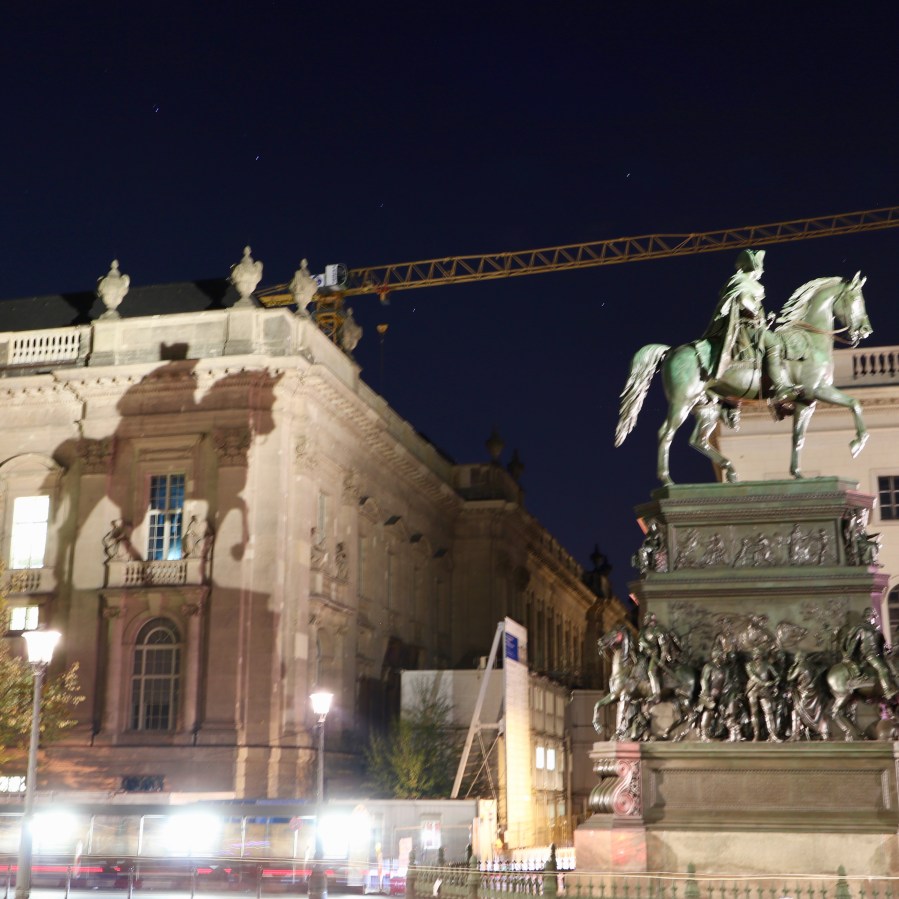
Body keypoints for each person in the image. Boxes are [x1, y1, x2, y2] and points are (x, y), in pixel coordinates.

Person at [702, 248, 798, 405]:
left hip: (751, 326)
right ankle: (780, 387)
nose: (762, 271)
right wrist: (756, 313)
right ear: (755, 268)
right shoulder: (744, 281)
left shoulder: (739, 281)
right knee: (774, 343)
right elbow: (743, 299)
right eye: (761, 267)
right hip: (745, 329)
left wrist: (764, 320)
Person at [842, 608, 899, 700]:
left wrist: (889, 650)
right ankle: (887, 690)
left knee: (893, 669)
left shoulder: (876, 630)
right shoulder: (861, 628)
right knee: (883, 669)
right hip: (869, 655)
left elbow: (883, 644)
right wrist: (848, 655)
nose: (871, 617)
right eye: (869, 615)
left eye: (872, 616)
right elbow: (854, 642)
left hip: (879, 654)